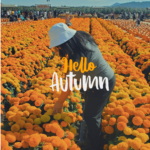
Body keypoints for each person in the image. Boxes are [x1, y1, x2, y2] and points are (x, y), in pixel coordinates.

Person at [49, 23, 116, 150]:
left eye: (58, 47)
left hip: (101, 84)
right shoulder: (82, 38)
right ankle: (93, 136)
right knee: (92, 111)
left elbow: (69, 84)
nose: (57, 50)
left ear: (65, 44)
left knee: (90, 117)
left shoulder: (79, 58)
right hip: (100, 78)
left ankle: (96, 145)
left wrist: (59, 102)